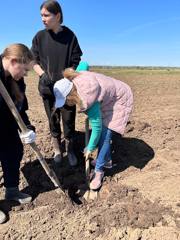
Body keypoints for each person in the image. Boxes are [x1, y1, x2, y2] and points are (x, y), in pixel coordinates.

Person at [53, 68, 133, 190]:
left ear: (71, 97)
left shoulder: (88, 101)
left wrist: (90, 148)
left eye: (65, 101)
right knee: (103, 133)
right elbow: (84, 64)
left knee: (105, 136)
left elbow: (97, 128)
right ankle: (107, 161)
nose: (65, 104)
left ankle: (99, 171)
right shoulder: (75, 77)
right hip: (110, 96)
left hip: (120, 99)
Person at [31, 0, 82, 166]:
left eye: (46, 15)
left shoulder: (70, 36)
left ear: (57, 15)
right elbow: (33, 60)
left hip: (67, 89)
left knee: (69, 120)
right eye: (41, 16)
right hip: (47, 88)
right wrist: (42, 74)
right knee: (52, 118)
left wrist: (68, 78)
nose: (43, 19)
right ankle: (57, 150)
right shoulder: (40, 37)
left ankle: (70, 150)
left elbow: (76, 60)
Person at [0, 43, 36, 223]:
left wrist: (28, 128)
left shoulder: (17, 81)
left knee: (14, 152)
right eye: (24, 70)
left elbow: (20, 110)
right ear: (13, 61)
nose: (25, 74)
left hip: (6, 127)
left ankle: (12, 189)